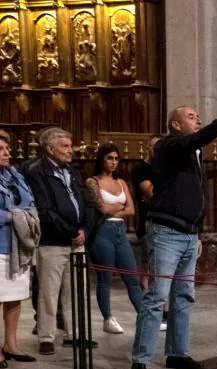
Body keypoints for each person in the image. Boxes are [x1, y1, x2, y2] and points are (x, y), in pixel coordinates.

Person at [130, 92, 217, 369]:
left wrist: (197, 233)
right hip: (166, 232)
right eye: (191, 116)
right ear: (175, 125)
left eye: (198, 116)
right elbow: (195, 140)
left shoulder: (190, 155)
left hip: (188, 234)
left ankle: (177, 352)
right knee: (157, 296)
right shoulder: (170, 145)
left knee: (184, 295)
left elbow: (194, 197)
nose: (197, 119)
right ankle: (140, 359)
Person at [26, 127, 95, 355]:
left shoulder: (73, 172)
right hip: (53, 242)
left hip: (78, 240)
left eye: (70, 145)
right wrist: (70, 232)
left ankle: (74, 333)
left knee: (76, 290)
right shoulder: (37, 172)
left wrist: (84, 229)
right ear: (50, 149)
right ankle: (46, 336)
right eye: (65, 146)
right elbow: (44, 210)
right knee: (49, 291)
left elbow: (87, 203)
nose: (70, 150)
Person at [85, 143, 144, 334]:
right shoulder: (92, 182)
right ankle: (108, 318)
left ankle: (144, 315)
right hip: (102, 231)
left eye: (116, 159)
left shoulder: (121, 182)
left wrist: (115, 209)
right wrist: (121, 208)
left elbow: (132, 209)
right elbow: (101, 208)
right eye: (109, 158)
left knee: (132, 277)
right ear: (101, 159)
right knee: (105, 277)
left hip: (119, 231)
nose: (113, 162)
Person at [0, 131, 38, 366]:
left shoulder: (14, 175)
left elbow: (29, 200)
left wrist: (25, 216)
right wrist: (11, 215)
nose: (7, 153)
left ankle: (11, 344)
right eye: (1, 149)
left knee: (15, 296)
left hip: (18, 244)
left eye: (6, 148)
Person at [131, 135, 168, 331]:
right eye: (156, 148)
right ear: (149, 148)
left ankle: (165, 311)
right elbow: (152, 195)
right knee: (149, 268)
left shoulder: (163, 168)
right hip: (148, 224)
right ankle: (151, 310)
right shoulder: (141, 169)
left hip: (164, 224)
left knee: (162, 270)